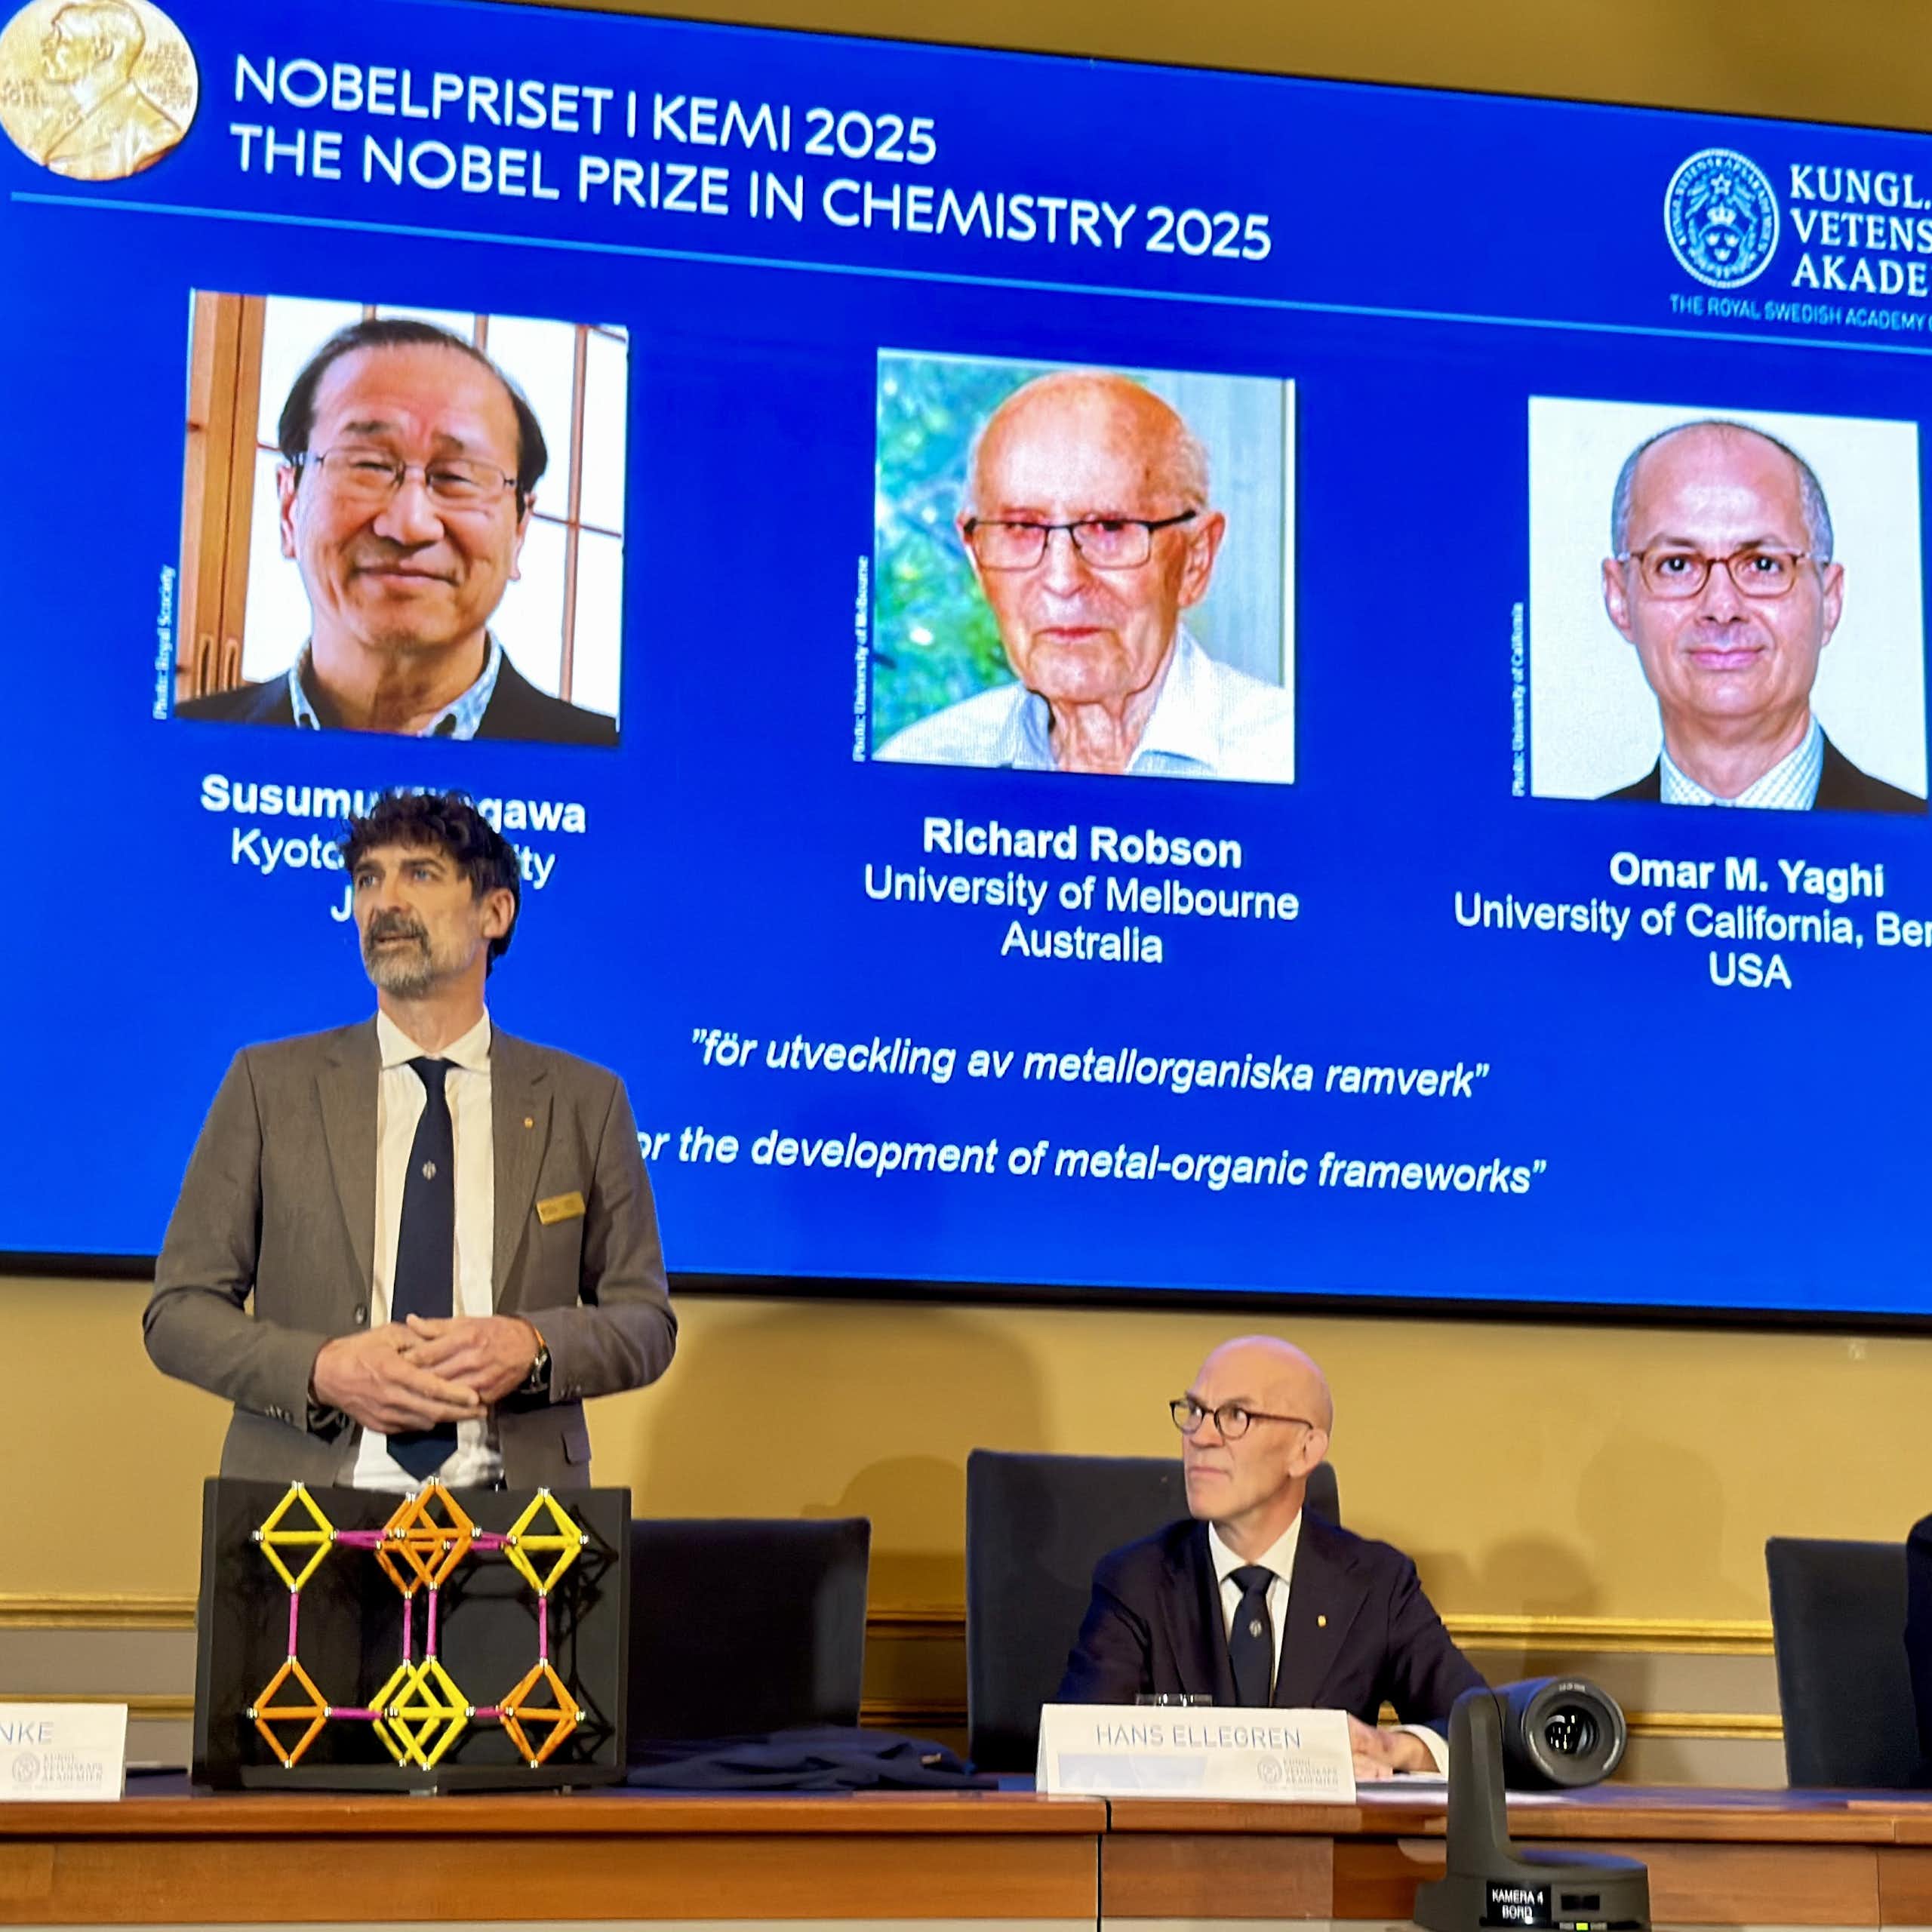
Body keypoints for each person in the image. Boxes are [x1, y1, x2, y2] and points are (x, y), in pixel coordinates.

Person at [145, 790, 673, 1489]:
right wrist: (321, 1370)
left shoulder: (584, 1101)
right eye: (368, 878)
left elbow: (646, 1322)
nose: (384, 901)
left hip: (516, 1517)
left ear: (495, 913)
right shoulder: (268, 1086)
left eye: (420, 874)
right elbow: (177, 1313)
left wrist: (533, 1347)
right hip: (304, 1511)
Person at [176, 318, 617, 746]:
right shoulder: (183, 744)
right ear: (290, 506)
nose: (410, 525)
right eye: (368, 466)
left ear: (519, 528)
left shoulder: (610, 764)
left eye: (458, 476)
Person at [1056, 1336, 1483, 1777]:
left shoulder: (1375, 1584)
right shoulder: (1137, 1581)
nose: (1201, 1436)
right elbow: (1080, 1756)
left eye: (1235, 1416)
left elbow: (1484, 1729)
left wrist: (1396, 1749)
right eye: (1196, 1411)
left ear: (1306, 1451)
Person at [874, 371, 1294, 781]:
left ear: (1195, 560)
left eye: (1109, 528)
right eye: (1021, 528)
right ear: (976, 558)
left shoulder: (1287, 762)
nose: (1063, 580)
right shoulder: (921, 765)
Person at [1598, 418, 1922, 812]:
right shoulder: (1564, 843)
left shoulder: (1916, 838)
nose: (1722, 608)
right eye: (1678, 564)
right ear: (1619, 597)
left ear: (1830, 600)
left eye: (1763, 565)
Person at [35, 1, 185, 182]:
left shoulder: (153, 135)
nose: (47, 44)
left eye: (61, 38)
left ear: (102, 50)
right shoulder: (56, 118)